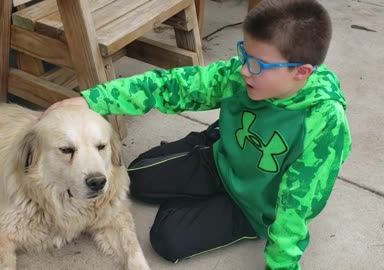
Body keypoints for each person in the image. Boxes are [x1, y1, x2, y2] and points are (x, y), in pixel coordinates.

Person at [42, 0, 352, 269]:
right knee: (135, 176)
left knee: (167, 240)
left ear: (301, 72)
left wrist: (282, 263)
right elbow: (173, 85)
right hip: (223, 158)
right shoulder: (241, 74)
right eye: (244, 54)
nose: (243, 70)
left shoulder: (324, 123)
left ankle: (208, 184)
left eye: (256, 64)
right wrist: (92, 99)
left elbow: (299, 203)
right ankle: (209, 143)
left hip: (253, 205)